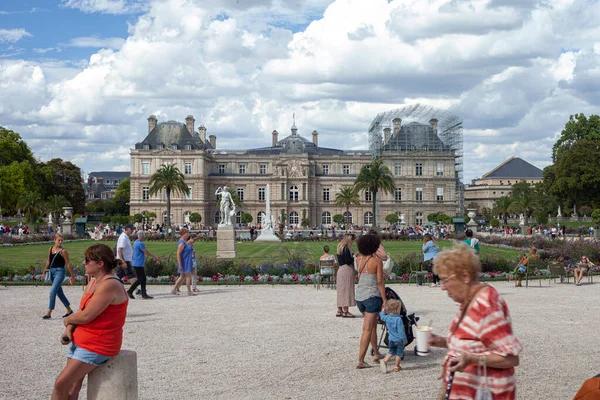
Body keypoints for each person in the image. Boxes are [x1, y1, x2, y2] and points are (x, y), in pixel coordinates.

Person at [429, 243, 521, 399]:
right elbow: (474, 342)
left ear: (465, 276)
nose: (442, 287)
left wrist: (472, 359)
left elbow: (511, 358)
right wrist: (444, 341)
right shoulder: (468, 301)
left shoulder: (486, 304)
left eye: (445, 280)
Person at [52, 243, 129, 400]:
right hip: (82, 339)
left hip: (98, 344)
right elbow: (82, 313)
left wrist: (67, 320)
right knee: (72, 389)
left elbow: (86, 316)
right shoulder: (94, 281)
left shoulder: (110, 284)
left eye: (87, 260)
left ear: (100, 264)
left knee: (61, 384)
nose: (83, 263)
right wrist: (70, 327)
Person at [354, 233, 386, 369]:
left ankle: (376, 352)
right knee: (367, 329)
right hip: (372, 296)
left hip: (360, 296)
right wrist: (384, 299)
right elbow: (379, 281)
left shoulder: (358, 260)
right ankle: (360, 360)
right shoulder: (377, 261)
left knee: (372, 326)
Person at [41, 233, 76, 319]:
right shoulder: (50, 249)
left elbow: (68, 264)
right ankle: (69, 310)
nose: (60, 242)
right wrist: (44, 272)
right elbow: (48, 261)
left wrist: (72, 275)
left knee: (52, 291)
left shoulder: (63, 251)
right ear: (54, 240)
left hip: (60, 272)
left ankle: (49, 312)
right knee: (59, 292)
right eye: (58, 240)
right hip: (52, 272)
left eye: (61, 240)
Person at [128, 231, 160, 299]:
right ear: (142, 236)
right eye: (144, 236)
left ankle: (143, 294)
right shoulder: (140, 243)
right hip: (138, 263)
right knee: (140, 279)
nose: (144, 237)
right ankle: (130, 291)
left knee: (143, 279)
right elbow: (146, 252)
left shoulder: (136, 242)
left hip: (137, 263)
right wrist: (155, 257)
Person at [379, 299, 407, 373]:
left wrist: (382, 310)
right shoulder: (398, 319)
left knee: (391, 351)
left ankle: (385, 360)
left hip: (391, 339)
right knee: (399, 353)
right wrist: (404, 340)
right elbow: (401, 331)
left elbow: (382, 316)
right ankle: (397, 367)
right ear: (398, 309)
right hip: (398, 340)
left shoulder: (387, 318)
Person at [333, 235, 355, 318]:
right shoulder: (346, 249)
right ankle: (346, 311)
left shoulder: (339, 247)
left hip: (341, 269)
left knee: (341, 290)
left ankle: (339, 309)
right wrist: (354, 256)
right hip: (347, 269)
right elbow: (348, 261)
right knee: (347, 290)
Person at [171, 229, 196, 296]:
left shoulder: (184, 242)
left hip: (187, 261)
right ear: (183, 234)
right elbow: (178, 253)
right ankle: (189, 291)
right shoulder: (182, 242)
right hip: (184, 262)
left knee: (182, 277)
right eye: (187, 233)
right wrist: (180, 264)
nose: (188, 235)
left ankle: (174, 289)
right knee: (188, 276)